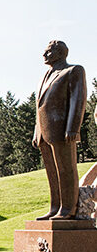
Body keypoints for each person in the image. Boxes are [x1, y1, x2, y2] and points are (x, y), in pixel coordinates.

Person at [33, 40, 87, 220]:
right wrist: (37, 130)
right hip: (44, 132)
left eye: (48, 51)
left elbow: (77, 100)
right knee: (52, 172)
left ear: (60, 53)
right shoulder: (43, 77)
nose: (44, 55)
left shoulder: (73, 71)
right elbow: (39, 107)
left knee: (66, 170)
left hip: (63, 130)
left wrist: (73, 127)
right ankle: (55, 207)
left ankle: (68, 209)